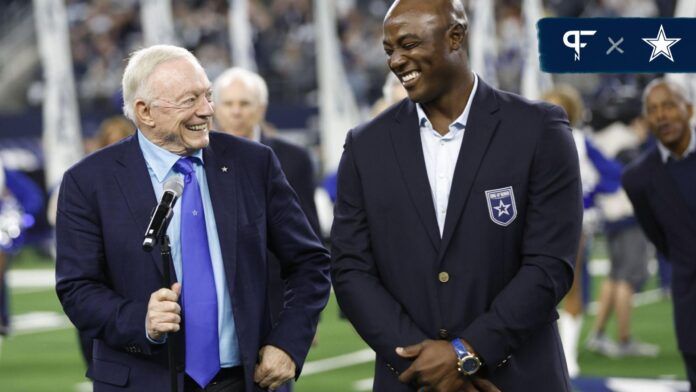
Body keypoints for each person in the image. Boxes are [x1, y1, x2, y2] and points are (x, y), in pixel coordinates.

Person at [330, 1, 582, 391]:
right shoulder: (365, 146)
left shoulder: (539, 129)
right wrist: (427, 363)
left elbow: (550, 265)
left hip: (518, 378)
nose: (397, 61)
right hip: (413, 378)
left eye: (409, 44)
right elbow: (350, 270)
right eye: (389, 50)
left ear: (455, 37)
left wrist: (466, 353)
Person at [55, 45, 331, 392]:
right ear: (145, 111)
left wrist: (288, 341)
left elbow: (309, 262)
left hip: (244, 380)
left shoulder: (254, 163)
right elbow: (77, 288)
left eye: (208, 96)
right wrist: (139, 320)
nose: (208, 110)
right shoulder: (88, 181)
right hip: (141, 381)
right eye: (190, 100)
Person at [212, 67, 320, 392]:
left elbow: (308, 243)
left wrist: (303, 321)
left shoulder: (294, 158)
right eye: (228, 103)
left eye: (244, 103)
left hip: (275, 309)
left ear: (261, 108)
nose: (235, 111)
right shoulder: (197, 156)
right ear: (214, 108)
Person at [542, 85, 622, 377]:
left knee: (571, 284)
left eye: (558, 107)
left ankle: (568, 354)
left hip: (573, 221)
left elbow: (612, 174)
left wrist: (591, 196)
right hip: (534, 221)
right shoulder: (528, 139)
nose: (551, 112)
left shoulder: (580, 142)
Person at [623, 78, 696, 391]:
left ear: (689, 109)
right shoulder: (637, 178)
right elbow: (661, 240)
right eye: (653, 110)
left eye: (669, 105)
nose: (662, 116)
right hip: (692, 305)